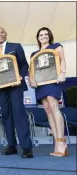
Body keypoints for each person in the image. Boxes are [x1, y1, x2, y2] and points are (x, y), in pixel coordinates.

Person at [0, 27, 33, 158]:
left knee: (19, 114)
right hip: (1, 88)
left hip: (16, 86)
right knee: (6, 115)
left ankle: (26, 147)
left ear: (6, 34)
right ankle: (11, 146)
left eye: (2, 32)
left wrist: (21, 76)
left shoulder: (16, 46)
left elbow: (24, 64)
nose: (0, 35)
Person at [29, 27, 68, 157]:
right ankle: (57, 143)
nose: (44, 36)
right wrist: (31, 80)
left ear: (49, 36)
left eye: (46, 34)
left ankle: (61, 142)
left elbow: (62, 59)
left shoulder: (57, 46)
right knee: (47, 110)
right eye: (41, 34)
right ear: (38, 37)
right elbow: (31, 70)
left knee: (54, 106)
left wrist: (62, 73)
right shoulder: (34, 54)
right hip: (40, 84)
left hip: (53, 80)